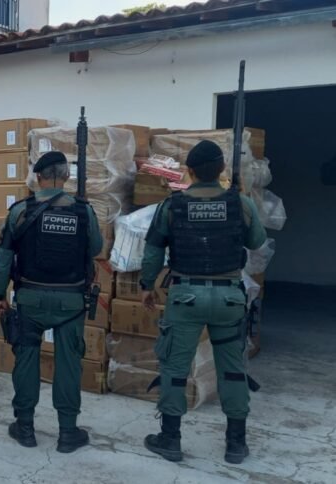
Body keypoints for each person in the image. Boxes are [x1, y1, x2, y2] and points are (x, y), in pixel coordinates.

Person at [140, 140, 267, 464]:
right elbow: (256, 242)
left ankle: (170, 438)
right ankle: (235, 443)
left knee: (174, 368)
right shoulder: (240, 203)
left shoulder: (172, 206)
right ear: (223, 170)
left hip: (185, 297)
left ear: (190, 171)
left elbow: (153, 252)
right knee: (233, 370)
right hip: (228, 297)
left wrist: (146, 287)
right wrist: (239, 202)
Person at [0, 151, 102, 452]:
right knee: (69, 364)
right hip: (71, 301)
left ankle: (25, 427)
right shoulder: (83, 211)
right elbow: (96, 247)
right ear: (66, 177)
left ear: (37, 178)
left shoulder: (20, 211)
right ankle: (68, 433)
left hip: (30, 299)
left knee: (26, 360)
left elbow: (2, 262)